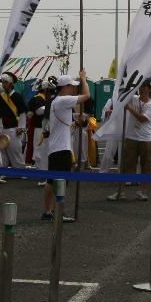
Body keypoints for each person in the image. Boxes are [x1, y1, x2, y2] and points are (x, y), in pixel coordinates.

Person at [44, 71, 91, 221]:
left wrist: (77, 121)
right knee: (60, 182)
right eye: (72, 86)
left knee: (52, 181)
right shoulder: (62, 100)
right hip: (61, 148)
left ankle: (49, 211)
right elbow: (86, 96)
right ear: (66, 87)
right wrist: (84, 79)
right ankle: (57, 212)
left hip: (57, 147)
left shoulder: (56, 101)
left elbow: (66, 123)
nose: (74, 89)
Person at [109, 77, 151, 201]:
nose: (142, 89)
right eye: (140, 86)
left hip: (147, 138)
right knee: (126, 165)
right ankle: (121, 191)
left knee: (146, 166)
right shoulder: (133, 98)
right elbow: (121, 95)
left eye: (145, 86)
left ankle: (142, 191)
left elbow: (142, 119)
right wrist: (127, 80)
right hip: (131, 137)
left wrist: (129, 108)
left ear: (149, 88)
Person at [0, 72, 26, 171]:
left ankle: (20, 170)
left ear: (11, 84)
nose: (3, 84)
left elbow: (23, 113)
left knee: (15, 150)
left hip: (14, 128)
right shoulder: (0, 97)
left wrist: (21, 127)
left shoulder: (17, 96)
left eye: (6, 82)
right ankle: (3, 170)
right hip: (3, 128)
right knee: (3, 151)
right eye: (3, 82)